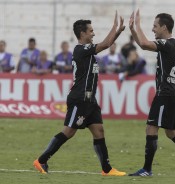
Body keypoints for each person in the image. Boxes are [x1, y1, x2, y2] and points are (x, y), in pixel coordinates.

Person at [33, 11, 126, 176]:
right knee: (69, 131)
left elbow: (105, 44)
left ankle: (107, 169)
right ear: (82, 33)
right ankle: (41, 160)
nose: (93, 33)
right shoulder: (80, 50)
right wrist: (114, 28)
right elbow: (105, 44)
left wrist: (118, 32)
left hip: (90, 99)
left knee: (99, 131)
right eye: (91, 31)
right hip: (79, 98)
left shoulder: (88, 51)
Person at [128, 10, 175, 178]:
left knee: (151, 127)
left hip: (166, 94)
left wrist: (137, 25)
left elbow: (144, 43)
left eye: (155, 26)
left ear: (164, 27)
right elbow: (143, 44)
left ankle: (147, 169)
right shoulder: (172, 44)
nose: (153, 29)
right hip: (173, 92)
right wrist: (133, 30)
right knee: (171, 132)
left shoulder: (167, 44)